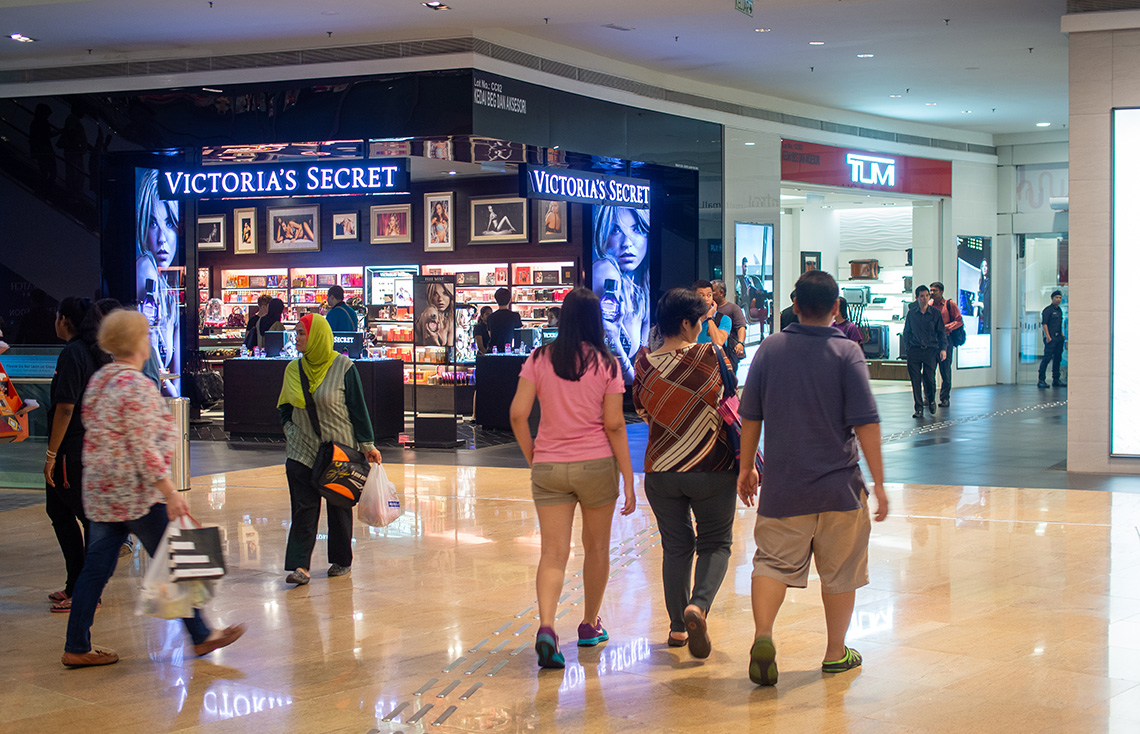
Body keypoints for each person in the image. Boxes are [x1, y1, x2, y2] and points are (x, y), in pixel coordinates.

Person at [62, 310, 245, 667]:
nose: (150, 341)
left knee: (96, 568)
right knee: (176, 558)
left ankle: (77, 645)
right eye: (146, 335)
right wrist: (170, 490)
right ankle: (201, 634)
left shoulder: (100, 380)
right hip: (137, 494)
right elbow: (143, 446)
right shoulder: (136, 386)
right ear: (136, 342)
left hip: (102, 493)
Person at [735, 269, 887, 687]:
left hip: (784, 487)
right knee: (840, 572)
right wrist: (880, 484)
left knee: (770, 563)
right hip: (839, 488)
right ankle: (836, 653)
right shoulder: (847, 352)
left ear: (795, 306)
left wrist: (747, 467)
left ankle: (764, 636)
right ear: (837, 308)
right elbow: (866, 423)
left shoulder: (770, 348)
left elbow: (750, 414)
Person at [509, 287, 636, 669]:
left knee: (553, 553)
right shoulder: (608, 364)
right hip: (596, 464)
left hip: (549, 465)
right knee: (596, 547)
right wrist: (628, 477)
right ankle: (588, 625)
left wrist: (534, 455)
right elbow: (614, 424)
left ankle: (547, 627)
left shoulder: (539, 358)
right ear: (597, 321)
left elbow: (517, 414)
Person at [633, 288, 738, 658]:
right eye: (698, 322)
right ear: (686, 323)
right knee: (716, 542)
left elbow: (643, 411)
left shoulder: (642, 363)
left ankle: (678, 628)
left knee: (676, 547)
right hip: (711, 465)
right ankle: (699, 605)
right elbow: (730, 394)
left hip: (661, 470)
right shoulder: (710, 354)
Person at [277, 314, 382, 586]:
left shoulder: (344, 367)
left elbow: (358, 409)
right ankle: (300, 566)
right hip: (302, 450)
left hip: (339, 452)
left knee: (338, 506)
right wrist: (289, 429)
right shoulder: (292, 369)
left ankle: (341, 560)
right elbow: (284, 407)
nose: (296, 338)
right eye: (296, 332)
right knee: (303, 508)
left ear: (317, 336)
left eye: (302, 333)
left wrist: (367, 445)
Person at [43, 297, 108, 613]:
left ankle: (86, 591)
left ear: (64, 319)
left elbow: (66, 407)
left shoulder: (73, 353)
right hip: (84, 448)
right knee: (58, 511)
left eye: (57, 316)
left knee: (86, 517)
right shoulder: (92, 353)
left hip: (72, 451)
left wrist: (52, 453)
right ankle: (75, 584)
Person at [135, 169, 181, 398]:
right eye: (153, 223)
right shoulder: (145, 267)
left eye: (170, 223)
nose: (163, 238)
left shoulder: (169, 292)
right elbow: (149, 339)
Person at [592, 206, 651, 382]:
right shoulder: (606, 270)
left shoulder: (642, 284)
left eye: (637, 229)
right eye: (616, 230)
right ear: (603, 234)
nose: (627, 242)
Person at [903, 285, 947, 419]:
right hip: (914, 350)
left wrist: (943, 349)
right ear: (917, 298)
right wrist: (908, 348)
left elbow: (941, 333)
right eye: (922, 296)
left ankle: (931, 399)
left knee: (929, 378)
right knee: (915, 381)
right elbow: (907, 332)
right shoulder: (912, 313)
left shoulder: (935, 313)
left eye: (927, 295)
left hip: (930, 350)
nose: (925, 298)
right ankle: (918, 408)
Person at [929, 282, 963, 407]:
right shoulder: (930, 305)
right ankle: (929, 398)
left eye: (935, 290)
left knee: (945, 370)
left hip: (946, 340)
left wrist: (944, 328)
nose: (932, 293)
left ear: (941, 291)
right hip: (932, 342)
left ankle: (945, 398)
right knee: (929, 370)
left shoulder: (949, 304)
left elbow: (959, 321)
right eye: (931, 290)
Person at [712, 279, 746, 371]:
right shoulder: (709, 310)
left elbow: (741, 327)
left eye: (712, 292)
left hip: (730, 350)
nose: (710, 295)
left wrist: (740, 343)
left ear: (721, 292)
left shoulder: (733, 308)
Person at [57, 104, 88, 199]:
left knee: (76, 174)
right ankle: (72, 194)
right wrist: (77, 145)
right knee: (74, 174)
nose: (84, 112)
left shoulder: (73, 119)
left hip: (74, 151)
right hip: (73, 152)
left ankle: (74, 193)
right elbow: (71, 133)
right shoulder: (72, 119)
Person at [1039, 290, 1066, 389]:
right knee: (1047, 358)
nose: (1058, 299)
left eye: (1060, 297)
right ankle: (1041, 379)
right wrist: (1048, 336)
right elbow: (1044, 324)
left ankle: (1056, 379)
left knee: (1057, 359)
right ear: (1052, 298)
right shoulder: (1048, 310)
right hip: (1051, 338)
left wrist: (1062, 335)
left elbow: (1059, 324)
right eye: (1056, 297)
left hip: (1059, 337)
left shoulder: (1059, 310)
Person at [414, 282, 454, 347]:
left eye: (445, 293)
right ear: (431, 296)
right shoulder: (431, 311)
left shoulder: (449, 318)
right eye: (435, 294)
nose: (440, 299)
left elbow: (450, 346)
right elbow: (429, 346)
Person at [29, 103, 58, 193]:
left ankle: (43, 189)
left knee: (45, 172)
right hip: (44, 150)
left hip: (40, 151)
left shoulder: (35, 123)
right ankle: (44, 189)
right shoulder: (42, 123)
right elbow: (45, 136)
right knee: (51, 172)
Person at [692, 280, 730, 347]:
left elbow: (719, 342)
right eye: (701, 295)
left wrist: (709, 317)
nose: (706, 299)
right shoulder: (688, 319)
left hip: (713, 357)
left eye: (709, 295)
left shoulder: (724, 319)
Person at [487, 287, 522, 353]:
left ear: (496, 300)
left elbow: (490, 334)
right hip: (509, 350)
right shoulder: (515, 316)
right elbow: (518, 335)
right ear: (509, 300)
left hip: (493, 351)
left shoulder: (490, 317)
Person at [977, 259, 991, 335]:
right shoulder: (982, 283)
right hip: (981, 318)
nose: (984, 268)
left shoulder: (989, 282)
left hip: (987, 320)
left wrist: (978, 304)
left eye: (986, 266)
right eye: (982, 266)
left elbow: (988, 305)